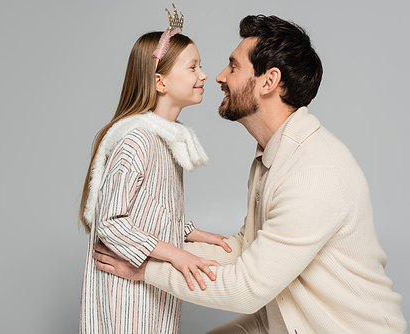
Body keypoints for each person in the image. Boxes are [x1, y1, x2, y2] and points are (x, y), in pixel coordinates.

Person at [92, 14, 408, 334]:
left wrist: (145, 267)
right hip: (285, 323)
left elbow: (247, 289)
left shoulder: (314, 172)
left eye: (233, 66)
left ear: (268, 81)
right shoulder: (271, 155)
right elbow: (246, 251)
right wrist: (150, 248)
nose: (218, 76)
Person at [78, 5, 232, 334]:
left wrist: (190, 231)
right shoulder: (136, 140)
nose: (204, 75)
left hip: (149, 293)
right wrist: (177, 254)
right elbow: (110, 221)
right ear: (160, 82)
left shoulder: (165, 139)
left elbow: (149, 207)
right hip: (124, 296)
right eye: (193, 67)